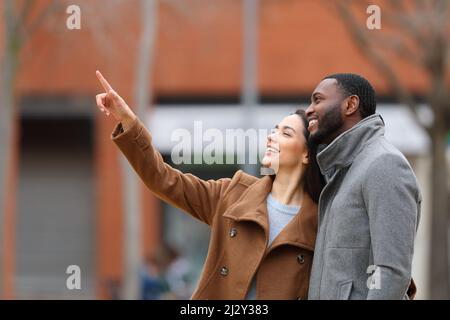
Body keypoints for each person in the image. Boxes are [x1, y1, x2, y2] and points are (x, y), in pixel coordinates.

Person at [94, 70, 324, 299]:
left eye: (286, 133)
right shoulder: (234, 194)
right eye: (274, 130)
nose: (272, 137)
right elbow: (163, 179)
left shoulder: (320, 222)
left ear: (306, 154)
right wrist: (128, 121)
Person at [305, 73, 421, 300]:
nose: (309, 109)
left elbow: (391, 271)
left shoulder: (384, 164)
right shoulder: (343, 170)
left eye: (318, 100)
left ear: (350, 105)